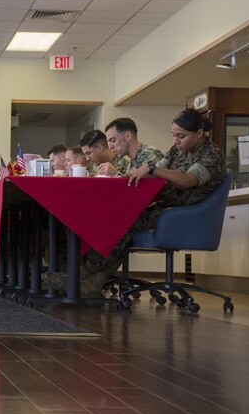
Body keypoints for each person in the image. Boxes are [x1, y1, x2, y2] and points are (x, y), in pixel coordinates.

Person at [45, 109, 226, 296]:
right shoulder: (177, 151)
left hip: (182, 215)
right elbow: (155, 171)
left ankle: (79, 274)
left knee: (123, 221)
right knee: (120, 220)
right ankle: (91, 282)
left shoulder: (212, 155)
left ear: (199, 133)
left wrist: (151, 168)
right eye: (173, 135)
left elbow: (187, 179)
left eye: (181, 136)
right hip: (165, 209)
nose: (175, 141)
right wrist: (142, 172)